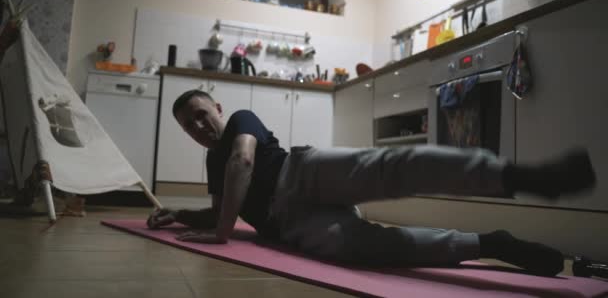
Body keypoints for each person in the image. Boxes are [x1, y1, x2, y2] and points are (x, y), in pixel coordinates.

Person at [147, 90, 596, 276]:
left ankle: (519, 177)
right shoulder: (211, 163)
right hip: (289, 227)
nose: (200, 126)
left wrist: (223, 231)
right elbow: (222, 207)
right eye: (190, 125)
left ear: (218, 109)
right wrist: (179, 214)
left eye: (202, 115)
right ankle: (490, 243)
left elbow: (243, 161)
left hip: (303, 172)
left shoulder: (240, 124)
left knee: (393, 167)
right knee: (376, 250)